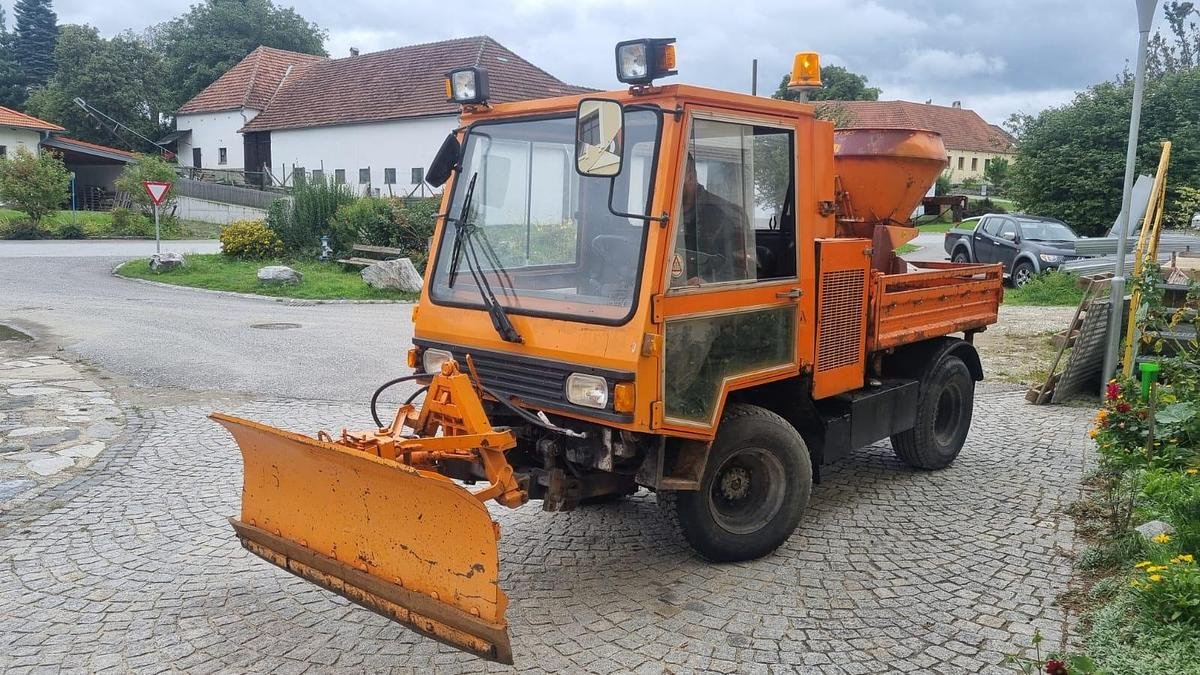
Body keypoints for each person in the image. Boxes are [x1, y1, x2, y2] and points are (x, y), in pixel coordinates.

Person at [678, 155, 752, 286]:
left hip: (703, 300)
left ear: (689, 176)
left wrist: (707, 283)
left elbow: (739, 273)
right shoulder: (665, 213)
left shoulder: (726, 217)